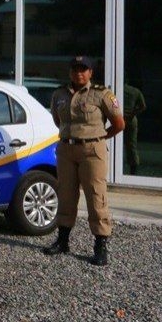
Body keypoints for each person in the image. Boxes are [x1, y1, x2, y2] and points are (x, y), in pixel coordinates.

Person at [44, 55, 125, 267]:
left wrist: (100, 137)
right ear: (70, 72)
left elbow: (119, 123)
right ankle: (63, 240)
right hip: (66, 148)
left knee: (96, 195)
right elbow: (57, 120)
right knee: (66, 193)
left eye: (83, 69)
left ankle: (100, 244)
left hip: (92, 150)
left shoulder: (101, 94)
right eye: (75, 69)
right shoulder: (59, 94)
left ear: (90, 72)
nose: (78, 73)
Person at [122, 82, 147, 174]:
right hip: (131, 119)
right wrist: (132, 113)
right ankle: (133, 168)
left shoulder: (115, 90)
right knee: (131, 144)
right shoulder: (135, 91)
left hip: (117, 118)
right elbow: (143, 106)